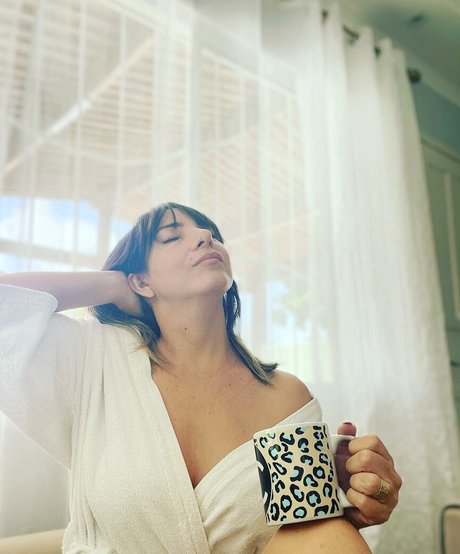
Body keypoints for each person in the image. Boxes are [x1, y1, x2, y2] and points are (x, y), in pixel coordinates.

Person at [0, 202, 401, 553]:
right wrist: (114, 285)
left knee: (330, 532)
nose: (205, 236)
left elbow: (306, 535)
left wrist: (353, 501)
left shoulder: (283, 396)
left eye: (210, 232)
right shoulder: (94, 359)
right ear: (141, 281)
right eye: (172, 236)